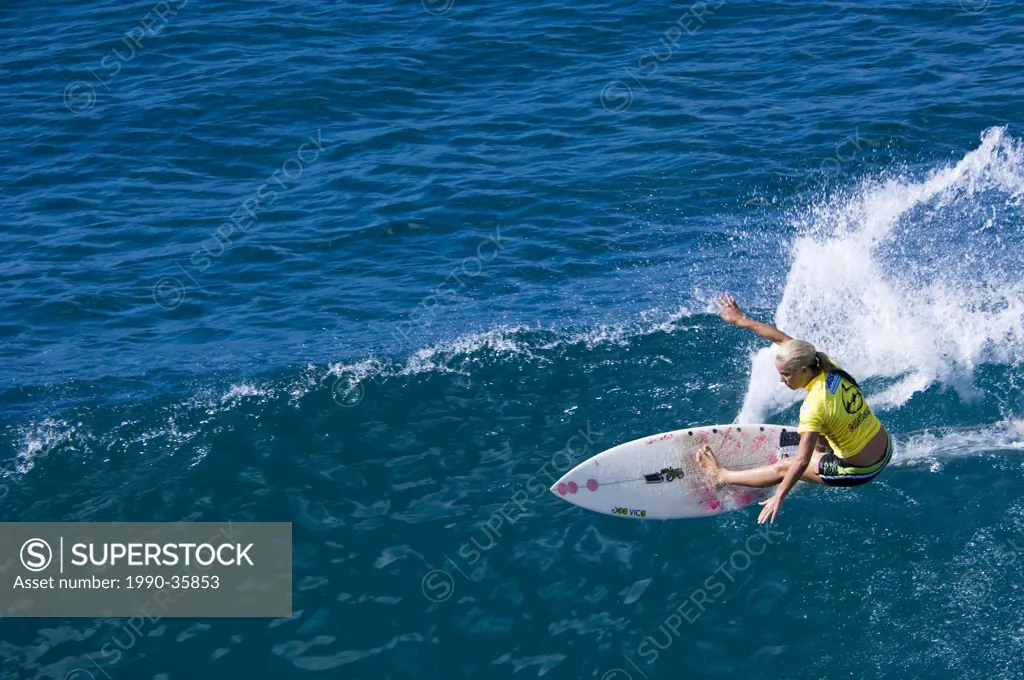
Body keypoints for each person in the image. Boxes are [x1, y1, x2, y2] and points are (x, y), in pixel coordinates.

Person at [696, 294, 893, 524]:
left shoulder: (813, 406)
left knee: (785, 465)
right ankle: (825, 449)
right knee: (823, 428)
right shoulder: (826, 365)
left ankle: (721, 476)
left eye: (786, 374)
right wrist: (741, 320)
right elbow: (781, 339)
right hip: (885, 445)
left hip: (862, 469)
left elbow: (799, 463)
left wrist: (779, 496)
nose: (781, 380)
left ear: (802, 370)